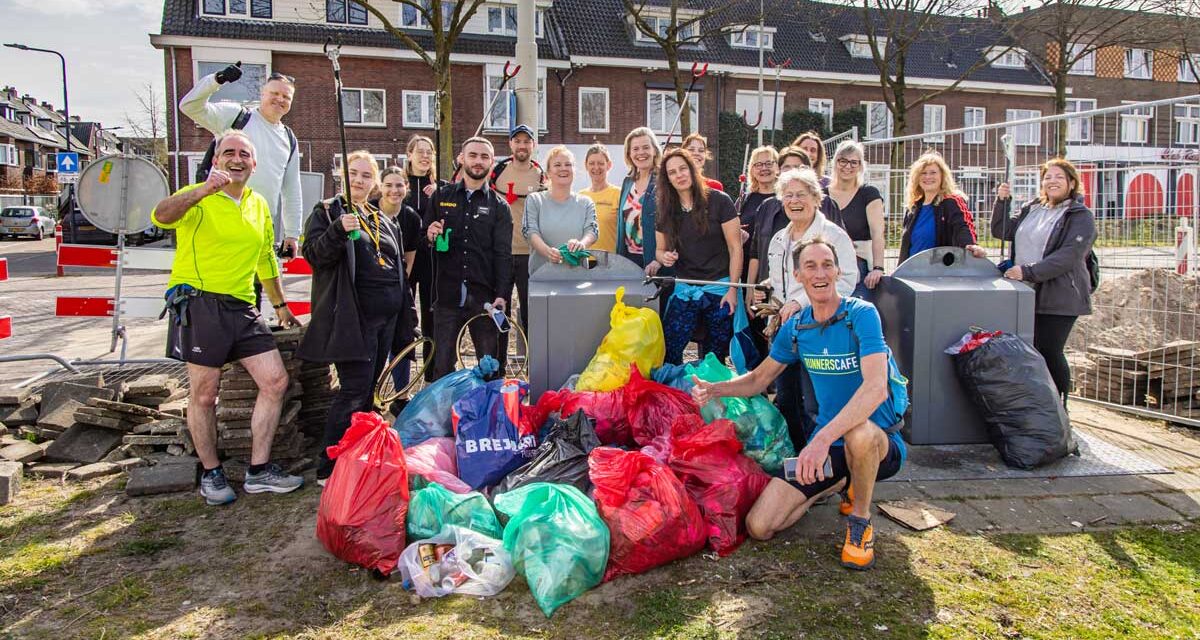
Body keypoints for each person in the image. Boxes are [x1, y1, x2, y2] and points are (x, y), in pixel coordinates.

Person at [691, 237, 908, 571]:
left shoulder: (861, 314)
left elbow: (876, 388)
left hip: (879, 443)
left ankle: (860, 522)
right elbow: (758, 380)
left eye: (826, 265)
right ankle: (838, 482)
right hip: (829, 448)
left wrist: (819, 441)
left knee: (858, 435)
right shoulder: (797, 326)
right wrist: (714, 389)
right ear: (797, 276)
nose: (819, 273)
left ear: (838, 271)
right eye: (810, 266)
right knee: (760, 526)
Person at [151, 130, 304, 505]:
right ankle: (211, 471)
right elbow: (160, 215)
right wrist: (201, 190)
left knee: (275, 381)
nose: (237, 159)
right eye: (228, 153)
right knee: (204, 394)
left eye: (244, 154)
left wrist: (281, 304)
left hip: (241, 305)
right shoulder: (198, 198)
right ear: (217, 160)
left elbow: (266, 258)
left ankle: (258, 470)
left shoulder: (258, 204)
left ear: (254, 164)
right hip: (200, 301)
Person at [298, 152, 406, 485]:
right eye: (353, 174)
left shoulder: (380, 217)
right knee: (353, 390)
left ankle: (358, 453)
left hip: (384, 319)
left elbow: (397, 264)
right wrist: (336, 231)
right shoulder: (328, 212)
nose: (358, 181)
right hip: (352, 318)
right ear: (341, 175)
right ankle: (328, 464)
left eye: (365, 176)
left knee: (370, 391)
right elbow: (313, 255)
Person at [760, 168, 857, 448]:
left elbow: (848, 279)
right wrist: (766, 289)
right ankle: (798, 458)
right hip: (788, 329)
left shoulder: (833, 235)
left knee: (815, 398)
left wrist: (798, 302)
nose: (794, 201)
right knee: (787, 395)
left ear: (816, 198)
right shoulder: (780, 238)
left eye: (801, 194)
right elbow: (785, 281)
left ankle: (826, 461)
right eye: (788, 195)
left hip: (822, 328)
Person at [992, 158, 1096, 406]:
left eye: (1059, 177)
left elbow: (1069, 256)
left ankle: (1059, 407)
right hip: (1026, 292)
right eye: (1048, 177)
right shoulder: (1033, 208)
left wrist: (1028, 272)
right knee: (1030, 350)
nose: (1052, 181)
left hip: (1060, 295)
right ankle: (1038, 405)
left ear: (1072, 183)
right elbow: (1002, 231)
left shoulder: (1079, 215)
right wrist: (1001, 202)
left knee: (1049, 350)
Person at [180, 65, 302, 275]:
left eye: (286, 96)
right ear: (262, 93)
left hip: (259, 228)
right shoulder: (236, 117)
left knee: (252, 292)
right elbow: (190, 106)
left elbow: (291, 189)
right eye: (274, 93)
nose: (280, 99)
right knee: (216, 288)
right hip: (221, 222)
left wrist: (292, 233)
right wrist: (217, 80)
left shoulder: (289, 139)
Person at [424, 137, 513, 380]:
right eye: (472, 155)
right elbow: (425, 241)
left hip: (483, 299)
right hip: (446, 297)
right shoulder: (441, 197)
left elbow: (503, 255)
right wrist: (430, 236)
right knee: (442, 368)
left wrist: (502, 295)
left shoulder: (499, 207)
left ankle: (487, 415)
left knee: (489, 368)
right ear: (461, 158)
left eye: (484, 157)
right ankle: (445, 416)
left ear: (492, 162)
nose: (478, 161)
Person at [655, 149, 742, 365]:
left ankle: (712, 395)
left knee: (716, 355)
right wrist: (665, 257)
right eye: (672, 172)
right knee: (670, 349)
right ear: (668, 179)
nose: (679, 175)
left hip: (720, 288)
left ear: (693, 170)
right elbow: (659, 250)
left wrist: (732, 289)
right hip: (686, 288)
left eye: (683, 168)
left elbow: (735, 248)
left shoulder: (720, 201)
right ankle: (676, 394)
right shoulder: (666, 210)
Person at [491, 124, 545, 339]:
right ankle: (498, 360)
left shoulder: (540, 175)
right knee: (498, 308)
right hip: (501, 253)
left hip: (529, 254)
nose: (522, 145)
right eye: (518, 141)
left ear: (533, 145)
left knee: (530, 310)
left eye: (526, 141)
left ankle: (533, 362)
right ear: (511, 144)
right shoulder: (498, 171)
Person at [375, 166, 422, 412]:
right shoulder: (369, 211)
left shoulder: (411, 218)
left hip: (400, 287)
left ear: (406, 188)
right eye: (389, 185)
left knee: (402, 338)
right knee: (376, 342)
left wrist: (401, 290)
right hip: (373, 287)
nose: (394, 190)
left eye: (399, 185)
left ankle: (401, 395)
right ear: (380, 187)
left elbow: (409, 259)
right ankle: (372, 394)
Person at [823, 141, 885, 301]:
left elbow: (877, 234)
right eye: (843, 160)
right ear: (835, 162)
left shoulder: (868, 194)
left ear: (860, 166)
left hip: (859, 265)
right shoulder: (822, 196)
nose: (847, 166)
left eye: (854, 162)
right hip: (827, 265)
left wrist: (878, 268)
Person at [523, 146, 599, 275]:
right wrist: (548, 252)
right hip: (542, 277)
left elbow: (592, 231)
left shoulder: (586, 202)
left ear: (574, 170)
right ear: (548, 172)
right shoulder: (535, 200)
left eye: (568, 164)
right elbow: (530, 232)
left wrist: (581, 244)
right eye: (557, 165)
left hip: (578, 277)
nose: (563, 168)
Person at [898, 153, 986, 262]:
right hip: (911, 271)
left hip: (940, 271)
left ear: (942, 176)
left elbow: (963, 226)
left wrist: (970, 244)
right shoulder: (913, 207)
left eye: (933, 173)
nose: (928, 177)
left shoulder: (952, 201)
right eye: (923, 173)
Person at [403, 135, 442, 380]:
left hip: (430, 260)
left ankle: (431, 374)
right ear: (409, 155)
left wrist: (439, 195)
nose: (425, 156)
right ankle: (401, 375)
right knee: (405, 316)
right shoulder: (400, 184)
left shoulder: (440, 187)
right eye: (420, 151)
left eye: (429, 152)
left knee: (432, 316)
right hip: (405, 258)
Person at [740, 146, 784, 357]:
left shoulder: (785, 198)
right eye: (758, 164)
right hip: (752, 269)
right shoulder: (745, 200)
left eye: (769, 163)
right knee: (756, 323)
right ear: (752, 169)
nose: (764, 168)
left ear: (778, 167)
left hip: (778, 270)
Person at [617, 127, 664, 276]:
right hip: (628, 260)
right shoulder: (627, 182)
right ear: (629, 154)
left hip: (655, 262)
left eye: (645, 147)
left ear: (654, 150)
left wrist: (660, 259)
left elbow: (674, 223)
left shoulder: (664, 181)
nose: (640, 153)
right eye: (635, 149)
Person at [579, 143, 620, 253]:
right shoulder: (580, 197)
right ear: (586, 165)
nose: (596, 167)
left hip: (611, 261)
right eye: (592, 163)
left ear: (609, 165)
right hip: (585, 261)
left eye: (601, 163)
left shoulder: (618, 194)